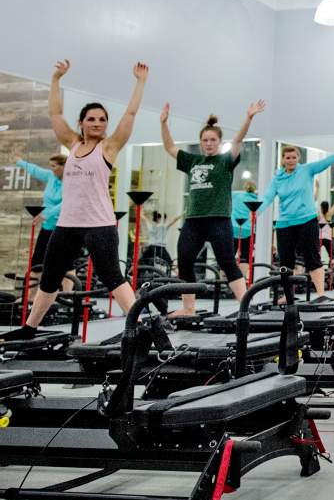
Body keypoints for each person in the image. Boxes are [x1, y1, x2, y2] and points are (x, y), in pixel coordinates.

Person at [1, 60, 147, 343]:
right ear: (81, 123)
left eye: (102, 119)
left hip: (99, 224)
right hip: (67, 224)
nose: (97, 123)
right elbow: (54, 112)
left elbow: (130, 112)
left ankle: (141, 328)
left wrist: (140, 82)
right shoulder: (73, 144)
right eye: (91, 119)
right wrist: (55, 78)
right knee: (50, 276)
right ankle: (30, 328)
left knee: (112, 277)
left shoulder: (109, 147)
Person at [160, 101, 265, 317]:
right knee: (185, 260)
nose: (208, 144)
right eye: (205, 140)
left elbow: (238, 140)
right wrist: (164, 124)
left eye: (212, 140)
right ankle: (189, 308)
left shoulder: (225, 160)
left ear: (219, 142)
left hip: (218, 219)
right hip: (194, 220)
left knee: (227, 262)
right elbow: (170, 147)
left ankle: (245, 306)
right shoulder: (192, 160)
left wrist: (249, 118)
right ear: (200, 142)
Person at [260, 140, 334, 302]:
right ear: (283, 159)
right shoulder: (278, 178)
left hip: (307, 221)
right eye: (287, 157)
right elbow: (269, 196)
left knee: (312, 256)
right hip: (285, 224)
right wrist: (256, 211)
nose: (290, 160)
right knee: (285, 261)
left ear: (298, 158)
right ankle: (287, 295)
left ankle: (320, 294)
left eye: (293, 157)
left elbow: (327, 161)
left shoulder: (306, 170)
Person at [15, 154, 72, 292]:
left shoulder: (72, 182)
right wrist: (19, 161)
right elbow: (36, 170)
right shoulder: (51, 176)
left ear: (64, 166)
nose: (51, 169)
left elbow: (67, 203)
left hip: (63, 228)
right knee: (37, 262)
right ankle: (30, 297)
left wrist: (45, 214)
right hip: (47, 227)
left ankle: (68, 297)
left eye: (54, 166)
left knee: (66, 263)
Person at [231, 179, 257, 280]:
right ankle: (241, 280)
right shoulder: (256, 198)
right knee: (245, 256)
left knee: (228, 256)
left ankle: (224, 282)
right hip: (247, 230)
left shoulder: (236, 194)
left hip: (233, 228)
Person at [317, 189, 334, 264]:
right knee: (332, 256)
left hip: (320, 238)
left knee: (316, 254)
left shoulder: (318, 215)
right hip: (328, 238)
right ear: (328, 207)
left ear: (321, 207)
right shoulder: (330, 213)